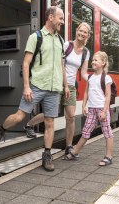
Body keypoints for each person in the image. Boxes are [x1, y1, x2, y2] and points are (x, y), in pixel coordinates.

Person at [0, 6, 68, 172]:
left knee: (50, 122)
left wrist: (65, 85)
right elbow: (25, 63)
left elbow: (61, 64)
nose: (62, 22)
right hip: (37, 86)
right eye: (60, 18)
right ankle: (0, 131)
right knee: (19, 116)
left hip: (54, 88)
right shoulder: (36, 37)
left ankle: (47, 155)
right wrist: (26, 87)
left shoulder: (60, 40)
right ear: (51, 17)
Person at [24, 23, 91, 156]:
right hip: (57, 83)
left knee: (71, 117)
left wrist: (93, 79)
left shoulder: (86, 52)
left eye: (85, 32)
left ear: (87, 35)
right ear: (76, 31)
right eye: (80, 31)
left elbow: (83, 73)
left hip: (71, 86)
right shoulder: (66, 45)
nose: (82, 34)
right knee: (51, 113)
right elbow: (60, 65)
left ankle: (69, 146)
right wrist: (64, 85)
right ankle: (29, 125)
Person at [63, 51, 114, 166]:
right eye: (93, 60)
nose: (93, 62)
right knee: (85, 132)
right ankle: (75, 152)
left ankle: (109, 156)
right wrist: (83, 105)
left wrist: (105, 111)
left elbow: (108, 95)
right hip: (91, 109)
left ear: (103, 63)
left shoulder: (106, 78)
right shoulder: (90, 77)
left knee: (107, 132)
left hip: (101, 109)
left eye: (96, 60)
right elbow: (86, 92)